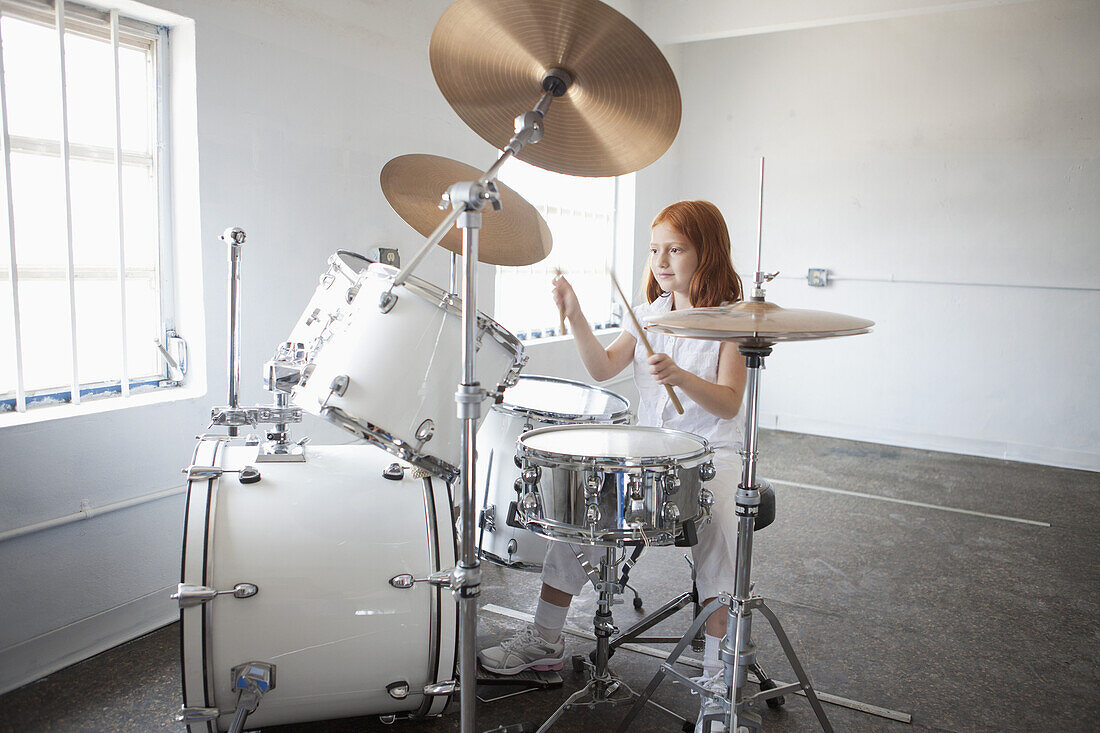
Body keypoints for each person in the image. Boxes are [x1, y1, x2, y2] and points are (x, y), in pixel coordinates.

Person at [479, 200, 748, 716]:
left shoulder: (729, 322)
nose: (661, 261)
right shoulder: (648, 314)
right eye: (654, 250)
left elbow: (730, 402)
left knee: (719, 529)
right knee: (583, 513)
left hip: (713, 452)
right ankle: (545, 641)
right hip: (649, 450)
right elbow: (602, 367)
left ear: (706, 253)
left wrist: (682, 377)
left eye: (676, 249)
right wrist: (576, 314)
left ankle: (718, 678)